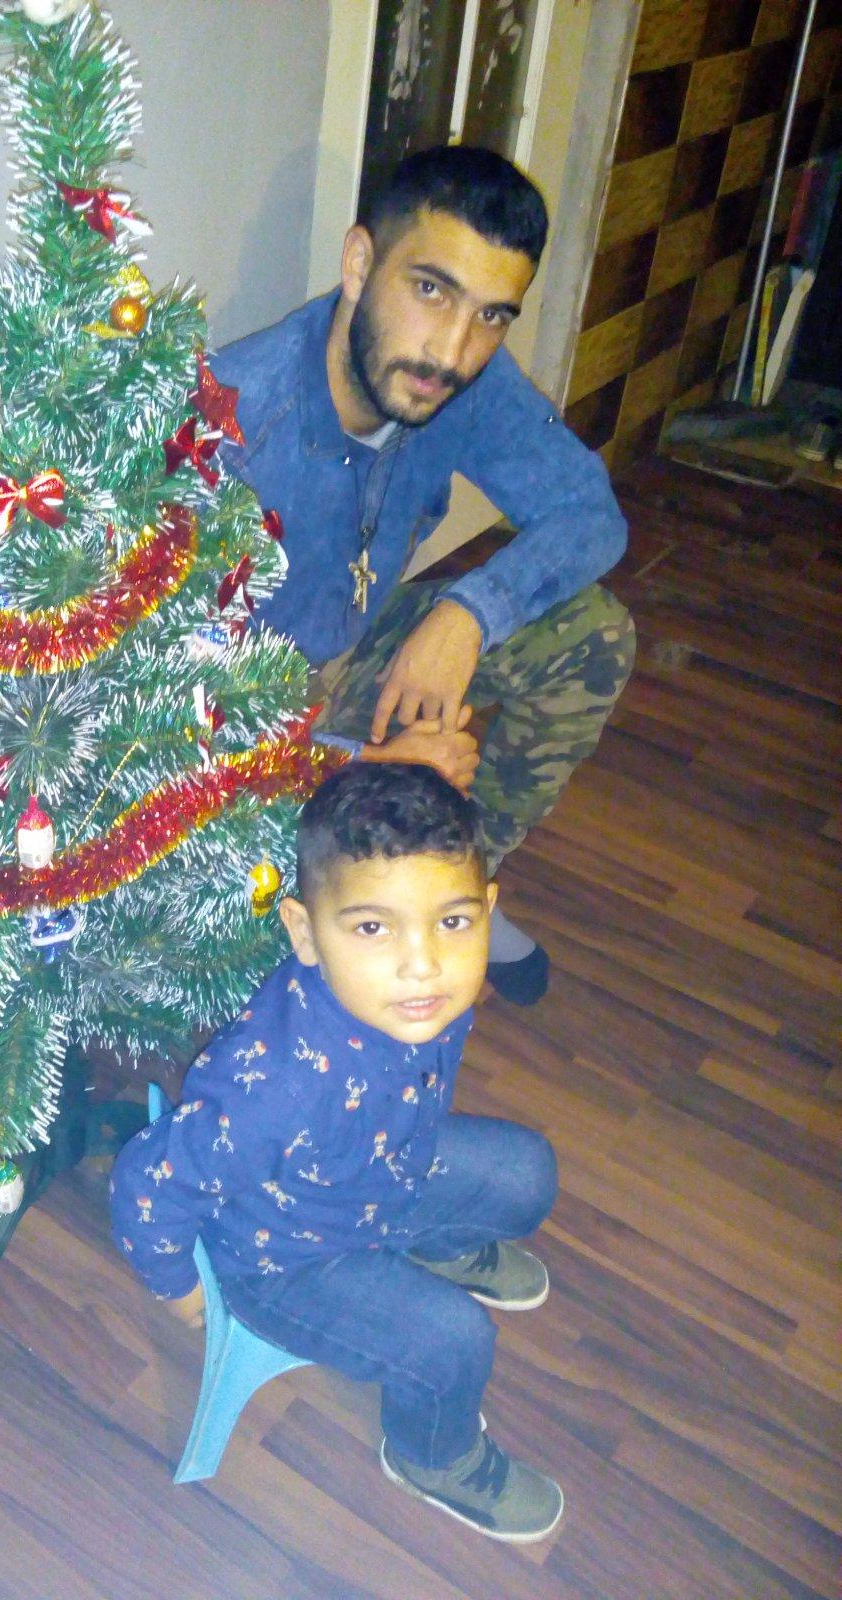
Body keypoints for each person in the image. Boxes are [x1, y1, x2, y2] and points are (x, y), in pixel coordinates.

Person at [213, 144, 635, 1005]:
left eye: (492, 315)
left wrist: (467, 616)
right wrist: (363, 762)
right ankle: (357, 910)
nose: (452, 350)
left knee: (592, 635)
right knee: (244, 934)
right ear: (359, 263)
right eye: (431, 290)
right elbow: (161, 722)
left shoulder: (462, 382)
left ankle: (444, 887)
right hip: (233, 724)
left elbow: (591, 514)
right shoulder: (236, 428)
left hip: (356, 650)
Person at [111, 761, 563, 1542]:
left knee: (528, 1172)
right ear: (304, 933)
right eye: (373, 928)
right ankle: (433, 1458)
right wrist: (179, 1288)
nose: (423, 964)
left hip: (376, 1175)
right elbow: (146, 1184)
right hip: (282, 1261)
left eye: (453, 923)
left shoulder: (421, 997)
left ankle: (438, 1244)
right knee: (453, 1341)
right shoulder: (276, 1090)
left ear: (487, 913)